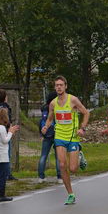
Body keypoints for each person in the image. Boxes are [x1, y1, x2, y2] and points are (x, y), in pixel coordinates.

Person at [41, 76, 90, 205]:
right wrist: (46, 126)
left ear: (65, 86)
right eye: (57, 85)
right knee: (62, 165)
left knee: (73, 168)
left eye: (61, 85)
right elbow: (50, 118)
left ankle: (79, 155)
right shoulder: (53, 103)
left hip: (73, 136)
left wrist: (82, 128)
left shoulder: (73, 100)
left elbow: (86, 113)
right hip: (59, 136)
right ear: (54, 87)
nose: (59, 87)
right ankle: (70, 194)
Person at [0, 108, 20, 202]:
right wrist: (10, 132)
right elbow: (5, 140)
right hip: (2, 155)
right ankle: (1, 195)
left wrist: (10, 131)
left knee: (1, 175)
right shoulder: (2, 128)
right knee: (3, 176)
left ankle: (0, 194)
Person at [37, 89, 62, 182]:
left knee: (43, 155)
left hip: (46, 135)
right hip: (57, 134)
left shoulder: (44, 108)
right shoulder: (57, 107)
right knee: (58, 156)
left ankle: (41, 177)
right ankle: (59, 177)